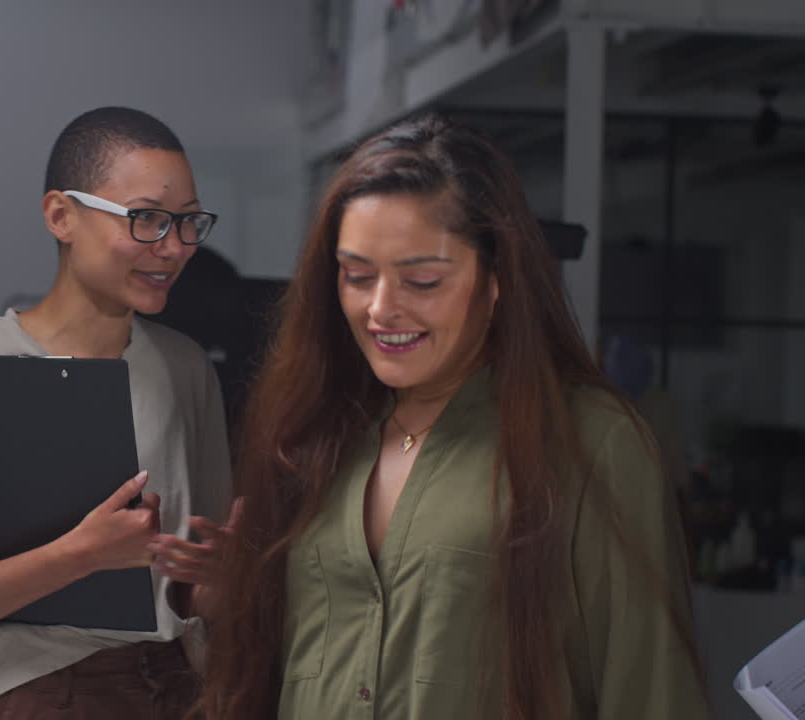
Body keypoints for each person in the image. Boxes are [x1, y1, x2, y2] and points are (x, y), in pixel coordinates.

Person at [194, 114, 708, 719]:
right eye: (357, 276)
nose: (382, 309)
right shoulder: (316, 429)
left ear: (498, 279)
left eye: (424, 279)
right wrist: (237, 605)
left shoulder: (590, 439)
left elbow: (651, 692)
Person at [0, 106, 233, 718]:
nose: (174, 248)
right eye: (146, 219)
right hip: (37, 696)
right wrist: (81, 556)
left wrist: (222, 575)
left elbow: (204, 583)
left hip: (178, 689)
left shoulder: (185, 368)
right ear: (60, 215)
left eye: (186, 223)